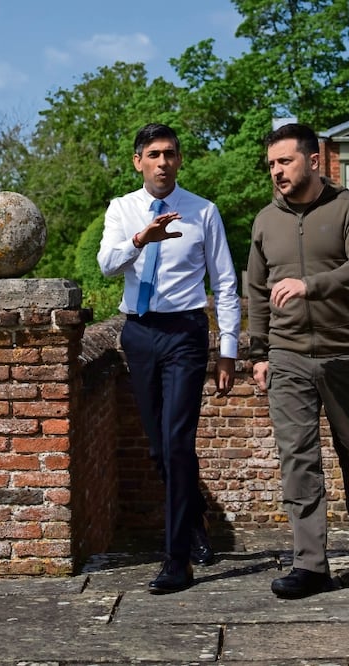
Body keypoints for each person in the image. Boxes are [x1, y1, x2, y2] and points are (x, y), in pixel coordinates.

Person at [98, 123, 240, 594]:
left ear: (180, 161)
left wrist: (227, 350)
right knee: (160, 448)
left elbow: (224, 284)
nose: (163, 162)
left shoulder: (203, 212)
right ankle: (195, 519)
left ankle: (176, 559)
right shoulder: (121, 210)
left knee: (177, 441)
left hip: (184, 332)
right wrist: (141, 240)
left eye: (171, 154)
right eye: (154, 154)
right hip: (139, 333)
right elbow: (105, 265)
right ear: (138, 161)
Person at [247, 122, 349, 599]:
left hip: (344, 352)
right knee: (298, 460)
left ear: (313, 160)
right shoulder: (266, 220)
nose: (277, 171)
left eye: (285, 161)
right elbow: (257, 291)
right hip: (287, 357)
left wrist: (313, 284)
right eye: (271, 165)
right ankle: (311, 566)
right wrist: (259, 352)